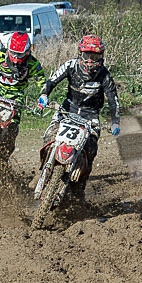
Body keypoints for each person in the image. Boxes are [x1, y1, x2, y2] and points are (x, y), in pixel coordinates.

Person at [36, 35, 120, 200]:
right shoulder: (71, 65)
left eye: (94, 56)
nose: (90, 60)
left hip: (91, 115)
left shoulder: (104, 75)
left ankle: (80, 186)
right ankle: (44, 168)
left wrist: (115, 122)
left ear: (101, 56)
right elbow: (52, 80)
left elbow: (113, 100)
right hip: (68, 108)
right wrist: (44, 95)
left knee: (91, 149)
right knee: (49, 136)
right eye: (87, 55)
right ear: (80, 54)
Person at [0, 32, 46, 157]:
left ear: (28, 51)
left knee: (13, 126)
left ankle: (4, 155)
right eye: (13, 53)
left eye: (20, 54)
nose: (16, 59)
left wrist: (42, 102)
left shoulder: (33, 64)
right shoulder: (0, 55)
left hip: (16, 95)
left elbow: (43, 86)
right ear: (8, 50)